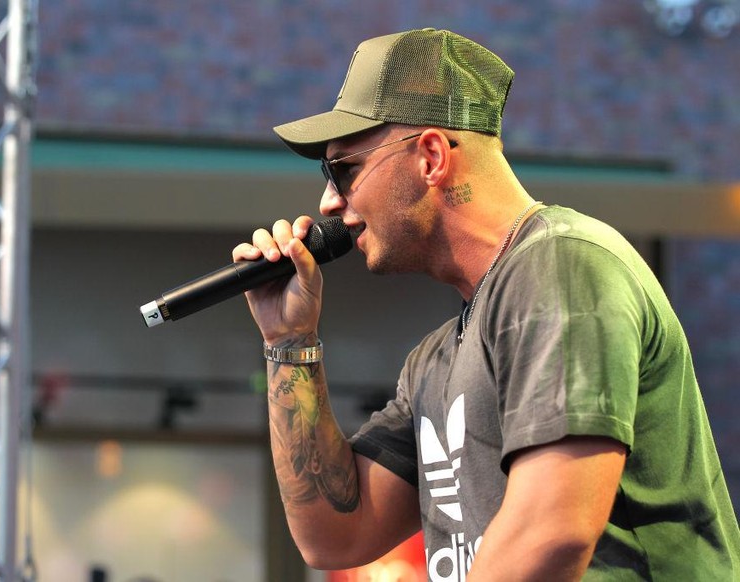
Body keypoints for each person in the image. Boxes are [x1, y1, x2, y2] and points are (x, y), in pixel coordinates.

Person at [232, 28, 740, 580]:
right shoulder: (435, 360)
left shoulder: (562, 265)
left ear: (430, 156)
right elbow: (334, 536)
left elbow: (553, 530)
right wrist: (289, 343)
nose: (329, 201)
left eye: (344, 169)